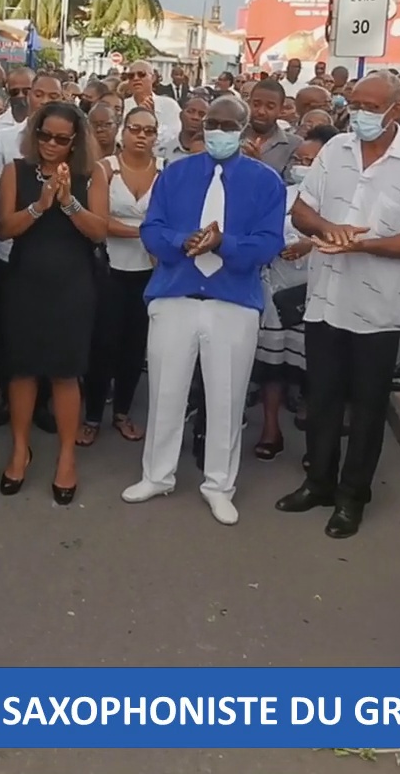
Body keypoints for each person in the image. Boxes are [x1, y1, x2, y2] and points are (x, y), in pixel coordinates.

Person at [277, 72, 400, 538]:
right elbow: (302, 211)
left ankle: (353, 496)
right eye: (356, 104)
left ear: (399, 109)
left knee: (368, 407)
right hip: (325, 299)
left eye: (372, 106)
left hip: (378, 308)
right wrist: (328, 230)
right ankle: (319, 483)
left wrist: (361, 246)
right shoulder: (336, 149)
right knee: (322, 397)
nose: (361, 114)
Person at [128, 96, 285, 523]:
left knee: (226, 397)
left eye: (228, 124)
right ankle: (157, 476)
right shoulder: (176, 174)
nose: (217, 130)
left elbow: (270, 243)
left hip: (233, 301)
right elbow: (151, 229)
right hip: (175, 294)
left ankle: (219, 485)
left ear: (244, 128)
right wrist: (184, 241)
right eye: (212, 123)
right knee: (165, 391)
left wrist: (224, 244)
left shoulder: (266, 181)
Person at [0, 100, 110, 505]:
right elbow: (5, 228)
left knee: (65, 373)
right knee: (23, 371)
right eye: (44, 135)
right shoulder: (16, 171)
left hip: (73, 285)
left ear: (75, 140)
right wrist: (40, 204)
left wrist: (67, 202)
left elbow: (98, 231)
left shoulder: (92, 173)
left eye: (61, 139)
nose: (50, 144)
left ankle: (66, 456)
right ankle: (19, 448)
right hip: (26, 282)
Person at [252, 128, 334, 461]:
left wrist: (310, 244)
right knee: (273, 367)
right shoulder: (284, 195)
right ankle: (271, 428)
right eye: (298, 159)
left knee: (316, 370)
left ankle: (315, 438)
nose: (301, 166)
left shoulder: (338, 200)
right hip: (278, 293)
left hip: (319, 293)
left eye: (310, 161)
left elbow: (349, 240)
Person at [83, 106, 162, 448]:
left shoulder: (166, 172)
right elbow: (98, 223)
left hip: (149, 272)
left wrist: (152, 236)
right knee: (103, 344)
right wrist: (148, 234)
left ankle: (123, 413)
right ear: (122, 132)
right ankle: (91, 417)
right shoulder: (105, 170)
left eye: (148, 131)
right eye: (135, 129)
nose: (141, 136)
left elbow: (170, 218)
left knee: (134, 346)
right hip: (108, 269)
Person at [241, 79, 300, 175]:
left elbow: (288, 187)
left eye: (270, 107)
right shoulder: (232, 137)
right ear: (248, 103)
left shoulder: (294, 145)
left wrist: (257, 165)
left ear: (281, 110)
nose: (261, 111)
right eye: (256, 104)